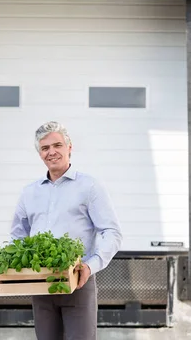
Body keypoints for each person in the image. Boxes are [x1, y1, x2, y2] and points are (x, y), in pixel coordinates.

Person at [10, 121, 123, 340]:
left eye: (57, 145)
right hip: (40, 283)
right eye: (45, 148)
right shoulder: (29, 192)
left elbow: (111, 231)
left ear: (69, 147)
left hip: (78, 281)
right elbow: (18, 235)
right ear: (40, 154)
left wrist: (91, 266)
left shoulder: (89, 187)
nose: (51, 152)